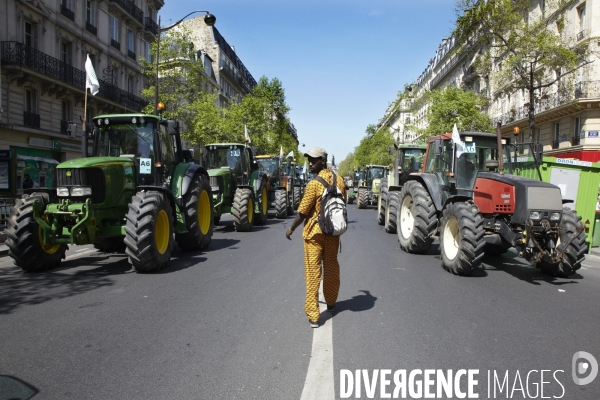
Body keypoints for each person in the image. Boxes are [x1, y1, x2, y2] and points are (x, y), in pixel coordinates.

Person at [285, 147, 347, 328]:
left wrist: (291, 228)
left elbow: (303, 212)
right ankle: (331, 302)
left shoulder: (313, 184)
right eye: (309, 160)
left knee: (313, 274)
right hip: (333, 234)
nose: (310, 163)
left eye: (314, 160)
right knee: (331, 268)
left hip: (314, 236)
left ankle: (313, 315)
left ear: (323, 160)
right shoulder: (340, 181)